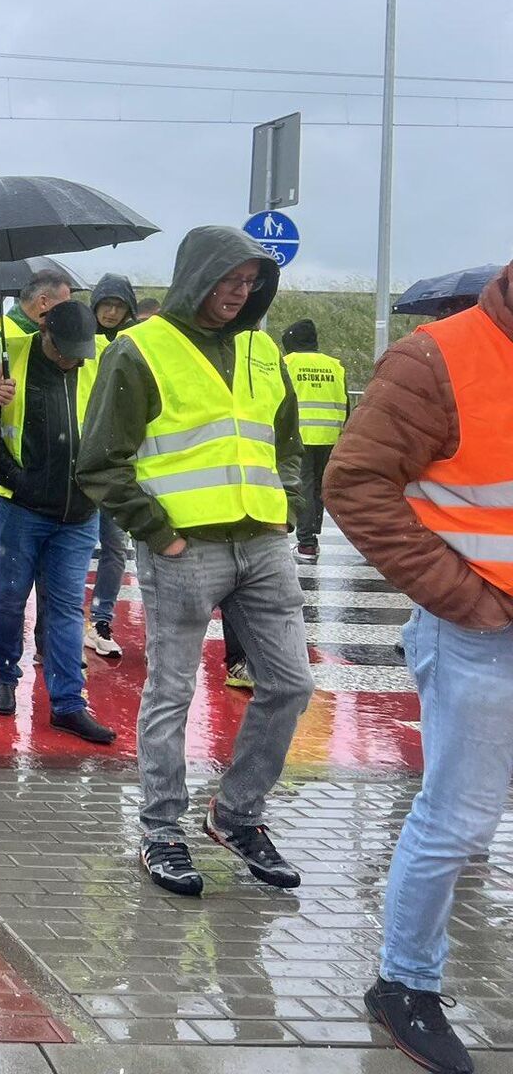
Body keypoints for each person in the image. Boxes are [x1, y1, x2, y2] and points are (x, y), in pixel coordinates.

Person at [78, 227, 312, 898]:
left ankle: (236, 814)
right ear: (196, 276)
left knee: (291, 684)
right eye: (228, 280)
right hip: (185, 549)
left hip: (263, 543)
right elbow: (99, 462)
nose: (240, 295)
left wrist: (284, 502)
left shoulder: (264, 350)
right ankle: (161, 831)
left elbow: (285, 439)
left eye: (250, 283)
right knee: (172, 693)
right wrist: (159, 531)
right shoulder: (141, 350)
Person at [323, 260, 513, 1074]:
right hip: (483, 629)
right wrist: (459, 596)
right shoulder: (438, 357)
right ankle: (405, 983)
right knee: (458, 819)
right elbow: (356, 482)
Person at [0, 300, 117, 743]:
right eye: (64, 351)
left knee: (65, 608)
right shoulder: (8, 355)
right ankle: (3, 675)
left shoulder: (94, 362)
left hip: (79, 512)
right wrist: (14, 478)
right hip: (22, 508)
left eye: (80, 352)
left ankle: (68, 703)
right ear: (45, 332)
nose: (72, 360)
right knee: (9, 597)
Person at [0, 270, 75, 652]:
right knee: (1, 551)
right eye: (64, 301)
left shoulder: (63, 340)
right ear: (44, 303)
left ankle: (48, 641)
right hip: (4, 463)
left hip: (53, 466)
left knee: (54, 562)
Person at [86, 274, 140, 659]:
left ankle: (102, 618)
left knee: (115, 547)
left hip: (119, 463)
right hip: (81, 457)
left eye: (118, 305)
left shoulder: (135, 347)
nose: (110, 311)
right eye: (105, 304)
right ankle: (67, 621)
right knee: (76, 545)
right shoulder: (80, 341)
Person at [280, 319, 347, 562]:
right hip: (329, 435)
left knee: (304, 487)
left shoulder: (288, 364)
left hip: (298, 435)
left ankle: (306, 543)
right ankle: (312, 537)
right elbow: (346, 403)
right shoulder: (334, 365)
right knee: (318, 487)